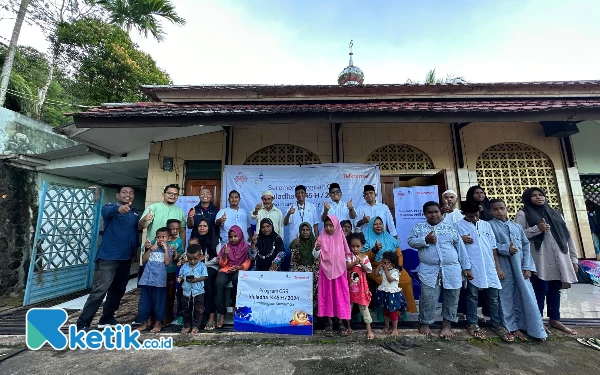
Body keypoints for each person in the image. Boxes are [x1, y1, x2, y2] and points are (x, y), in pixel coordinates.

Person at [516, 187, 579, 335]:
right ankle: (536, 321)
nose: (539, 197)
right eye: (534, 195)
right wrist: (537, 229)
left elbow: (568, 236)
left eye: (541, 195)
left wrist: (574, 259)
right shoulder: (523, 213)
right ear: (527, 198)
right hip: (539, 260)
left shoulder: (556, 213)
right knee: (540, 290)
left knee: (555, 289)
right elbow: (518, 236)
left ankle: (554, 319)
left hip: (559, 260)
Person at [76, 186, 139, 331]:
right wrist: (118, 209)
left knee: (118, 290)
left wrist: (135, 251)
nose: (128, 195)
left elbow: (134, 233)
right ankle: (83, 323)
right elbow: (106, 211)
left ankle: (107, 317)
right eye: (124, 192)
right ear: (118, 195)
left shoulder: (135, 212)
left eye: (131, 193)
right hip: (109, 257)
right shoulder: (110, 207)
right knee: (100, 289)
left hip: (126, 257)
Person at [408, 201, 473, 339]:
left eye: (436, 212)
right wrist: (425, 239)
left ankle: (447, 324)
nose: (433, 214)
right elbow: (411, 241)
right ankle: (425, 322)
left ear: (441, 213)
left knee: (452, 297)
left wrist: (467, 268)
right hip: (429, 270)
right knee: (428, 297)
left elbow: (461, 249)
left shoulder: (450, 228)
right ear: (425, 214)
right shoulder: (419, 228)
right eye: (430, 212)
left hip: (452, 269)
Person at [489, 198, 547, 341]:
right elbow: (489, 245)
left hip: (520, 267)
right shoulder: (488, 226)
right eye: (495, 209)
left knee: (527, 296)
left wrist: (527, 267)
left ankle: (534, 328)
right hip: (504, 267)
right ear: (490, 211)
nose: (499, 212)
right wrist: (505, 249)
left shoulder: (516, 227)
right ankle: (511, 327)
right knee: (506, 297)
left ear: (506, 209)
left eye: (502, 208)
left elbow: (526, 246)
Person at [455, 201, 513, 342]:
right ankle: (472, 323)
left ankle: (497, 323)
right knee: (472, 296)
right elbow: (454, 247)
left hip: (489, 265)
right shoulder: (457, 227)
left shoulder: (486, 225)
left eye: (476, 215)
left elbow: (493, 247)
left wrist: (497, 267)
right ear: (463, 214)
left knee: (494, 297)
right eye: (470, 216)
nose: (474, 218)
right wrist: (461, 241)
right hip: (471, 266)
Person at [362, 216, 417, 313]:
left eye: (380, 224)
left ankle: (407, 309)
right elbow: (363, 258)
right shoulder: (366, 239)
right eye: (375, 224)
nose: (378, 226)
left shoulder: (389, 238)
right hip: (376, 268)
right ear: (371, 226)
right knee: (387, 283)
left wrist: (398, 266)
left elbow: (399, 255)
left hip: (393, 266)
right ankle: (391, 311)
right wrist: (374, 250)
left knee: (407, 280)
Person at [318, 215, 351, 336]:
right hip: (325, 273)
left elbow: (347, 254)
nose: (328, 228)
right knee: (327, 296)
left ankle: (341, 322)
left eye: (331, 225)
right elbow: (315, 254)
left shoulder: (341, 238)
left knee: (339, 296)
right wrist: (316, 249)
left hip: (340, 272)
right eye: (326, 225)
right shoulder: (321, 237)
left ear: (336, 226)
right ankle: (329, 322)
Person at [135, 227, 172, 333]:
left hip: (159, 282)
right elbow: (144, 259)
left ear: (168, 238)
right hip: (146, 280)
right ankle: (144, 323)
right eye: (158, 237)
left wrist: (165, 249)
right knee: (144, 303)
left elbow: (167, 262)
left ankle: (158, 323)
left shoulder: (169, 249)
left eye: (163, 237)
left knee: (159, 303)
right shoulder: (152, 247)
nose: (161, 239)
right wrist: (151, 248)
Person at [215, 225, 252, 328]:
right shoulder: (226, 247)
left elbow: (249, 261)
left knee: (237, 279)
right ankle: (221, 313)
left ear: (240, 235)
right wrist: (224, 255)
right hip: (227, 269)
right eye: (231, 237)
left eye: (235, 236)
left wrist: (239, 267)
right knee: (219, 281)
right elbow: (222, 264)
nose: (233, 239)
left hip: (240, 269)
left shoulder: (246, 246)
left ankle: (236, 309)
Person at [139, 184, 187, 259]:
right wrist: (145, 219)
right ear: (163, 194)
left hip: (172, 251)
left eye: (175, 194)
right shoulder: (153, 207)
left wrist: (182, 249)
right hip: (153, 249)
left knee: (171, 270)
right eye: (169, 193)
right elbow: (142, 226)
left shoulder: (180, 211)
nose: (172, 196)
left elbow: (182, 230)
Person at [345, 232, 374, 340]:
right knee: (348, 309)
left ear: (362, 246)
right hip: (350, 288)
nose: (355, 249)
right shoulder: (348, 257)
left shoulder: (365, 257)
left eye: (358, 246)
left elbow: (367, 270)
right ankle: (348, 327)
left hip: (361, 289)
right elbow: (347, 267)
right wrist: (354, 262)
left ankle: (369, 330)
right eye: (353, 246)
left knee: (364, 309)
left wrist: (361, 263)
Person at [194, 218, 221, 330]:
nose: (202, 228)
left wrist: (203, 261)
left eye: (205, 226)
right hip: (195, 267)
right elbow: (189, 254)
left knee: (206, 280)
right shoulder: (195, 240)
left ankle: (211, 315)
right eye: (200, 226)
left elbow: (218, 258)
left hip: (211, 267)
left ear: (209, 227)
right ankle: (193, 315)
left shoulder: (216, 239)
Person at [375, 251, 408, 337]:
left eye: (386, 263)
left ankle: (395, 328)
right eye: (383, 262)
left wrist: (386, 271)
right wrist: (379, 266)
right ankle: (386, 325)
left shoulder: (395, 271)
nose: (384, 264)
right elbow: (375, 274)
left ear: (392, 263)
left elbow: (390, 279)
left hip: (392, 294)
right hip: (384, 292)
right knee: (385, 311)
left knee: (393, 312)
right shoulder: (383, 269)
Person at [289, 222, 320, 310]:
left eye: (307, 230)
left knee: (317, 276)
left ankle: (314, 310)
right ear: (300, 231)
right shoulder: (296, 242)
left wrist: (317, 250)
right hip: (299, 268)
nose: (305, 232)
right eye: (303, 230)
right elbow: (293, 262)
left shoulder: (315, 243)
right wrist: (296, 246)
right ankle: (298, 308)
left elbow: (317, 260)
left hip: (313, 268)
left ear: (310, 231)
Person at [177, 244, 208, 335]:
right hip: (186, 292)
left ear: (200, 256)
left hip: (198, 292)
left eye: (195, 259)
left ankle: (196, 326)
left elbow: (205, 277)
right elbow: (181, 276)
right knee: (186, 309)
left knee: (198, 310)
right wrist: (180, 279)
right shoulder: (184, 266)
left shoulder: (202, 266)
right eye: (190, 259)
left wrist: (196, 279)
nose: (192, 261)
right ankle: (187, 325)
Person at [164, 219, 184, 324]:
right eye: (172, 229)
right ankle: (158, 316)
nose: (175, 231)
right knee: (160, 294)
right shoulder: (161, 238)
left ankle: (169, 316)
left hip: (172, 271)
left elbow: (180, 255)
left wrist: (176, 254)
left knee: (171, 294)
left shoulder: (179, 241)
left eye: (177, 229)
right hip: (160, 272)